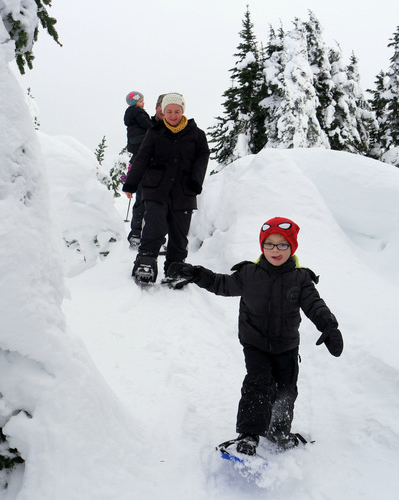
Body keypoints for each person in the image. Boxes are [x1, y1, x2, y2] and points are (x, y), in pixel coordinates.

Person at [166, 217, 344, 455]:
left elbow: (315, 305)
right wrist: (197, 274)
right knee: (257, 384)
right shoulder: (249, 273)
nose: (275, 250)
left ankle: (278, 431)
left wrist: (329, 327)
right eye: (269, 244)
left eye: (282, 245)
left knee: (286, 390)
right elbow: (222, 284)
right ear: (262, 246)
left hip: (287, 347)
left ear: (292, 247)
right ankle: (249, 435)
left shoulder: (300, 279)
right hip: (256, 344)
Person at [122, 92, 210, 284]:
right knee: (155, 224)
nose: (172, 115)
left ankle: (175, 267)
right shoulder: (154, 132)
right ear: (163, 111)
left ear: (182, 111)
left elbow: (203, 157)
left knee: (179, 231)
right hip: (156, 188)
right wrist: (131, 183)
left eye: (176, 111)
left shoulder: (196, 134)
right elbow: (142, 158)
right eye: (168, 111)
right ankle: (146, 259)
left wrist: (196, 181)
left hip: (184, 190)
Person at [126, 93, 167, 249]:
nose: (163, 111)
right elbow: (135, 149)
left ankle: (157, 237)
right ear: (156, 108)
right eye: (160, 107)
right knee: (141, 201)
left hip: (163, 171)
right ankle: (136, 233)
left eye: (167, 108)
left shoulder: (173, 127)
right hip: (144, 168)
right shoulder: (147, 124)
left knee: (160, 206)